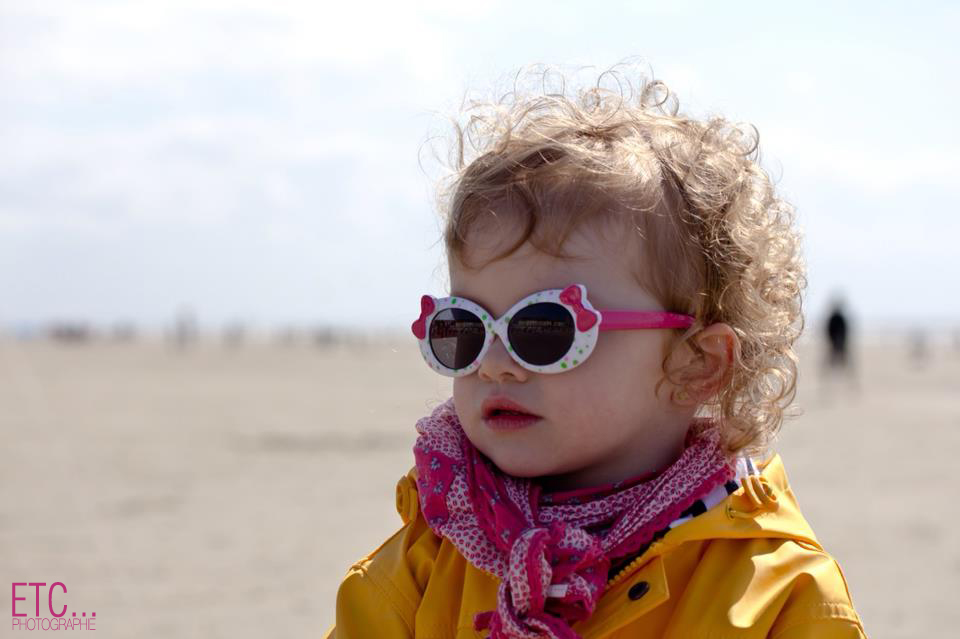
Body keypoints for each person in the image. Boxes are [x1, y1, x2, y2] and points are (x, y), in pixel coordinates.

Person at [324, 63, 866, 638]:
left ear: (697, 363)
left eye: (543, 330)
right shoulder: (428, 562)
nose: (494, 365)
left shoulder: (779, 594)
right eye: (465, 329)